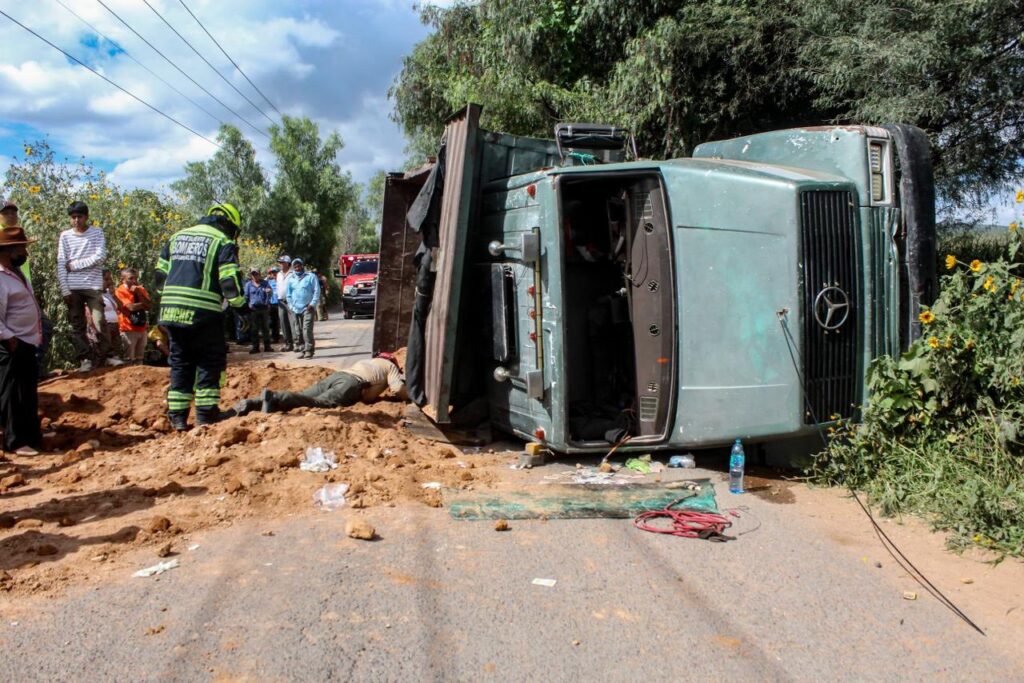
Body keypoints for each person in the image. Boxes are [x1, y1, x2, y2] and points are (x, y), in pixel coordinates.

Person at [155, 203, 247, 430]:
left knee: (181, 362)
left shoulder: (176, 237)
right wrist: (241, 309)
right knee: (209, 360)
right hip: (203, 312)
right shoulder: (222, 242)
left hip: (170, 312)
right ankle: (206, 416)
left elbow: (159, 278)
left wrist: (171, 300)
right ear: (229, 225)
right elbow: (229, 283)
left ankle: (177, 417)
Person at [234, 353, 407, 415]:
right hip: (351, 384)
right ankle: (274, 397)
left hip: (338, 376)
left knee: (303, 396)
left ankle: (253, 403)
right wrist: (409, 397)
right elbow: (398, 388)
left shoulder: (370, 361)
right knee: (318, 404)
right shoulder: (390, 366)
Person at [0, 226, 43, 455]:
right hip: (12, 342)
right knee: (12, 392)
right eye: (22, 248)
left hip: (25, 341)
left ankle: (31, 436)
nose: (25, 251)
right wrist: (9, 339)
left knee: (26, 391)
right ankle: (15, 441)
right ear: (9, 250)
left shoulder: (15, 273)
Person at [1, 200, 53, 378]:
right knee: (41, 326)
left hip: (20, 289)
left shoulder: (16, 234)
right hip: (8, 289)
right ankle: (32, 369)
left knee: (40, 326)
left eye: (13, 212)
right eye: (6, 213)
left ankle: (32, 369)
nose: (11, 216)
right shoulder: (4, 236)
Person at [57, 201, 110, 371]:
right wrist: (65, 289)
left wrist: (75, 265)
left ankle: (107, 356)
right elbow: (61, 263)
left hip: (93, 285)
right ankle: (85, 358)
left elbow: (100, 257)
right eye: (73, 217)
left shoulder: (97, 233)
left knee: (99, 320)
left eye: (79, 216)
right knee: (77, 325)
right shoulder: (65, 236)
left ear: (86, 217)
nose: (76, 220)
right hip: (73, 287)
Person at [115, 267, 151, 364]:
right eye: (130, 278)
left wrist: (139, 294)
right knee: (129, 359)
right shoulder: (119, 291)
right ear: (122, 279)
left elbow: (150, 305)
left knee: (140, 358)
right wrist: (143, 304)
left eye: (135, 278)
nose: (134, 281)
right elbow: (130, 308)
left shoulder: (140, 289)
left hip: (142, 328)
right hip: (128, 329)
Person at [286, 258, 320, 359]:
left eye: (299, 266)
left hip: (308, 308)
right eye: (295, 266)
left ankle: (309, 350)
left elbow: (316, 291)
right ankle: (302, 349)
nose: (297, 268)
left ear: (302, 265)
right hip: (296, 309)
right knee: (298, 331)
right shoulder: (291, 279)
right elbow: (288, 295)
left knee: (307, 330)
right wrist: (291, 306)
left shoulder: (311, 277)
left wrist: (312, 304)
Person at [243, 267, 273, 353]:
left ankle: (267, 347)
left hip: (264, 309)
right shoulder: (248, 284)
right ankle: (255, 347)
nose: (255, 276)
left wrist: (269, 292)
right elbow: (246, 297)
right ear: (251, 275)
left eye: (256, 274)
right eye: (253, 274)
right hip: (253, 310)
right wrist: (248, 305)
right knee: (254, 329)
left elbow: (270, 294)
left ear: (259, 274)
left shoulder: (265, 283)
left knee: (266, 329)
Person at [275, 255, 295, 352]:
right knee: (283, 323)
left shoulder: (293, 273)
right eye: (280, 263)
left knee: (293, 322)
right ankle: (288, 343)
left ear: (287, 263)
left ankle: (297, 343)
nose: (280, 264)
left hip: (290, 301)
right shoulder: (278, 274)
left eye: (282, 262)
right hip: (281, 301)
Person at [267, 266, 281, 343]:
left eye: (275, 272)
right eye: (272, 272)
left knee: (282, 321)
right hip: (272, 304)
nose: (273, 274)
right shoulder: (269, 282)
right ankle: (275, 337)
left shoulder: (281, 281)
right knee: (273, 321)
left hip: (281, 303)